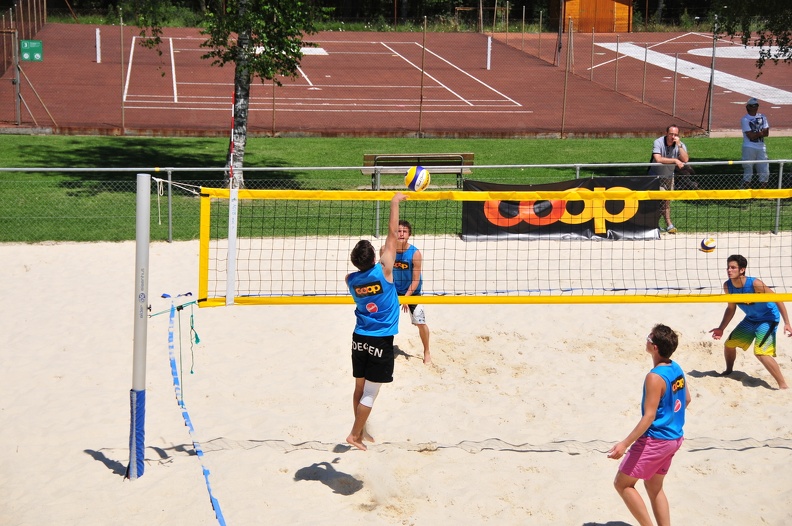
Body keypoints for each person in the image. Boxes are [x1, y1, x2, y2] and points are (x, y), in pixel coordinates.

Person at [608, 324, 691, 526]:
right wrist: (670, 418)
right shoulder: (676, 367)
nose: (646, 339)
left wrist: (624, 443)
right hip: (674, 438)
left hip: (656, 440)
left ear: (654, 347)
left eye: (649, 338)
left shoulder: (654, 377)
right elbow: (687, 399)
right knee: (655, 488)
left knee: (622, 484)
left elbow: (649, 417)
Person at [345, 193, 408, 450]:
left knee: (360, 387)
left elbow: (389, 240)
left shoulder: (351, 280)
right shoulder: (384, 270)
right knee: (371, 393)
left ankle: (362, 428)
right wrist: (395, 202)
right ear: (374, 258)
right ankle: (354, 434)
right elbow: (393, 235)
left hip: (359, 337)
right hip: (380, 340)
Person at [709, 254, 791, 390]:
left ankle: (783, 385)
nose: (729, 270)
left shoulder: (755, 284)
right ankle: (729, 371)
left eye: (733, 267)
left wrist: (787, 322)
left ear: (742, 270)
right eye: (728, 267)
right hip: (751, 318)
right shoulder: (728, 286)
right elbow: (731, 308)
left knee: (761, 353)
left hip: (768, 318)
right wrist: (721, 328)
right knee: (729, 345)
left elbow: (778, 299)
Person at [391, 220, 431, 364]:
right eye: (398, 231)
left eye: (404, 231)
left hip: (413, 292)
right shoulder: (387, 250)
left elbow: (415, 280)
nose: (401, 234)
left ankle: (426, 351)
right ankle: (386, 348)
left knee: (420, 323)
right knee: (387, 321)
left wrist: (407, 298)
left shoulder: (415, 253)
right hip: (393, 292)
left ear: (409, 235)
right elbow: (384, 274)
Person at [648, 125, 689, 234]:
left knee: (666, 202)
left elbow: (685, 159)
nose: (673, 136)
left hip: (669, 177)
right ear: (666, 133)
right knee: (661, 200)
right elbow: (658, 159)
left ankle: (660, 224)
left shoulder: (680, 145)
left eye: (675, 134)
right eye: (671, 134)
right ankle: (666, 224)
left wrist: (679, 145)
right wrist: (675, 160)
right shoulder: (658, 142)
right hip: (655, 176)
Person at [740, 97, 771, 189]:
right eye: (752, 106)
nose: (755, 107)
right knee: (748, 167)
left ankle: (763, 190)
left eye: (756, 105)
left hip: (761, 147)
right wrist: (761, 133)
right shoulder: (745, 119)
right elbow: (751, 136)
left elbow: (766, 133)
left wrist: (757, 133)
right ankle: (747, 188)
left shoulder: (763, 116)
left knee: (764, 168)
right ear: (748, 107)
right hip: (749, 147)